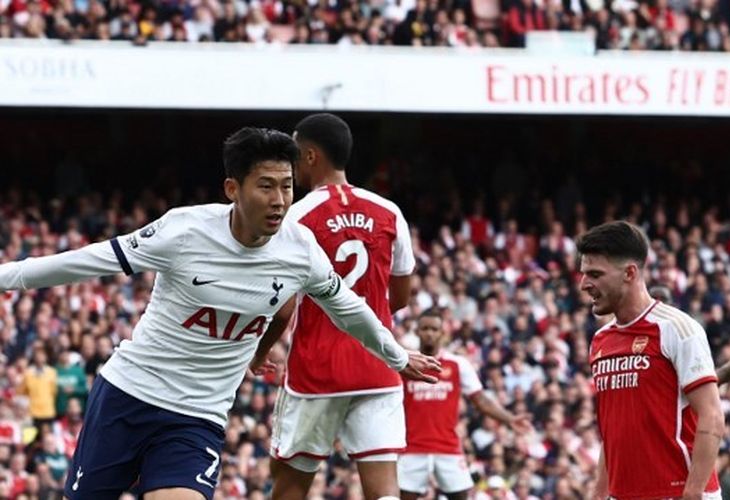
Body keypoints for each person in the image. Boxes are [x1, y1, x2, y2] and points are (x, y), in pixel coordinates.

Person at [0, 127, 440, 500]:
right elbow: (87, 261)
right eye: (265, 186)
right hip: (128, 397)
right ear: (234, 188)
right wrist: (6, 276)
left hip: (197, 418)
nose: (279, 200)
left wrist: (397, 356)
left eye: (287, 185)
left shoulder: (301, 250)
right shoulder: (184, 231)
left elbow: (349, 309)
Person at [249, 113, 415, 499]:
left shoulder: (298, 217)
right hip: (378, 366)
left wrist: (259, 353)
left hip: (317, 371)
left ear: (309, 156)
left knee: (291, 481)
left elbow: (285, 308)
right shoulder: (389, 211)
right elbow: (401, 298)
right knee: (385, 490)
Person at [577, 221, 723, 500]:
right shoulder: (600, 340)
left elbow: (712, 416)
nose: (584, 284)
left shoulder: (678, 329)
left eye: (595, 274)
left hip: (677, 492)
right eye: (584, 274)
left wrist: (692, 493)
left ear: (630, 273)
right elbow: (614, 429)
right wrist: (599, 493)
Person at [398, 309, 531, 500]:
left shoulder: (457, 364)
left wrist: (509, 419)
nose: (429, 333)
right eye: (425, 328)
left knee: (462, 497)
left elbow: (480, 400)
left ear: (442, 333)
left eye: (434, 329)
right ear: (417, 331)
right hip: (412, 447)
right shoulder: (404, 364)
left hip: (447, 446)